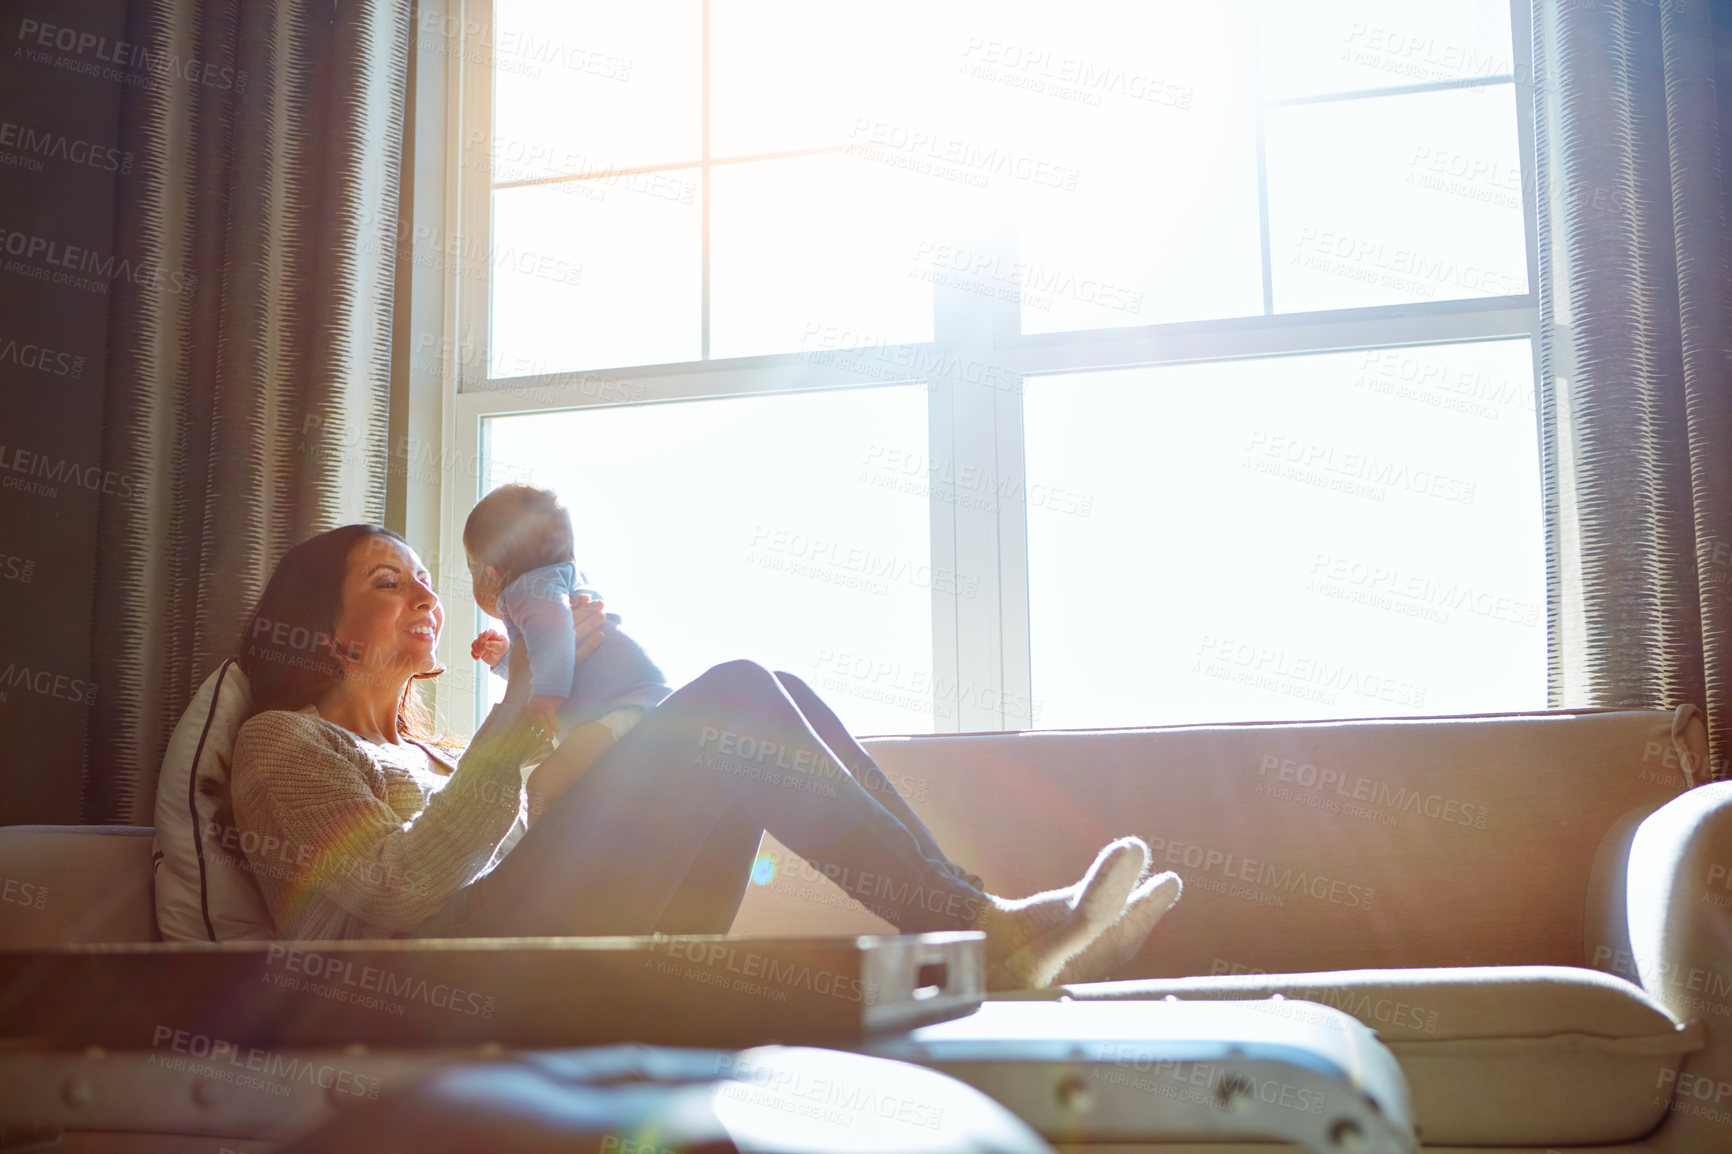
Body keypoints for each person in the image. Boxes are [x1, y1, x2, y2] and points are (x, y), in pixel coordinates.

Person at [230, 524, 1182, 989]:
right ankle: (993, 937)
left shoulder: (436, 751)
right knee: (731, 695)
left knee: (773, 696)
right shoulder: (284, 744)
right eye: (390, 583)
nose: (426, 599)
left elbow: (529, 843)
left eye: (429, 584)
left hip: (531, 949)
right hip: (426, 991)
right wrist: (527, 703)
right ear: (328, 631)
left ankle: (984, 927)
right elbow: (399, 893)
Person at [462, 483, 671, 823]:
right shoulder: (559, 582)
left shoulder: (521, 591)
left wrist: (545, 698)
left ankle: (541, 865)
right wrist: (505, 661)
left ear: (489, 574)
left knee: (544, 783)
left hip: (624, 706)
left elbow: (556, 630)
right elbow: (546, 655)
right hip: (633, 704)